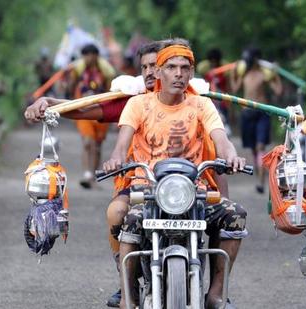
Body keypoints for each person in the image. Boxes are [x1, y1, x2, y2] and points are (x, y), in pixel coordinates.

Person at [103, 38, 248, 309]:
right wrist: (115, 159)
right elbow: (121, 146)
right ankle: (127, 293)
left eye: (185, 67)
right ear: (157, 72)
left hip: (194, 191)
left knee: (235, 215)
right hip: (147, 190)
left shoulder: (201, 105)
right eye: (171, 67)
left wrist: (231, 155)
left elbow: (222, 139)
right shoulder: (138, 105)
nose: (178, 74)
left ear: (192, 73)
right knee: (128, 220)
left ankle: (217, 292)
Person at [24, 41, 161, 308]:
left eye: (156, 66)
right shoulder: (133, 103)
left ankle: (217, 289)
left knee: (223, 217)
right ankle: (127, 281)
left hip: (186, 184)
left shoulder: (196, 103)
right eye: (144, 66)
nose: (150, 72)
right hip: (139, 182)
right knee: (116, 213)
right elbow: (87, 107)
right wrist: (51, 103)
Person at [230, 46, 282, 194]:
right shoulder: (244, 74)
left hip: (261, 114)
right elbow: (234, 89)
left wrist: (275, 75)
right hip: (247, 115)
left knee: (260, 147)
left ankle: (261, 181)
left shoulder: (264, 75)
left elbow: (278, 90)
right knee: (254, 149)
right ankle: (260, 174)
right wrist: (234, 73)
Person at [68, 44, 116, 189]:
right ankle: (87, 174)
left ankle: (94, 175)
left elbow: (110, 90)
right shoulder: (78, 70)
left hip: (101, 110)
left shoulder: (105, 71)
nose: (89, 58)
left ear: (96, 56)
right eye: (86, 55)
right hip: (83, 110)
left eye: (91, 54)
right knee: (88, 142)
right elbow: (71, 87)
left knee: (98, 145)